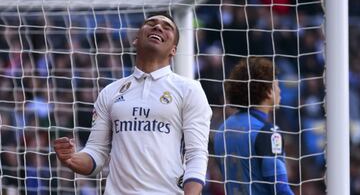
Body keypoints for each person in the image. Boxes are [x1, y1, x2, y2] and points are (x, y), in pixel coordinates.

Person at [54, 14, 212, 195]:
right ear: (136, 40)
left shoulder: (189, 89)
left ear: (173, 50)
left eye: (166, 27)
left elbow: (196, 154)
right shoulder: (110, 92)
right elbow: (96, 153)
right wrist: (71, 158)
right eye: (151, 23)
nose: (158, 27)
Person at [213, 57, 294, 195]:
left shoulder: (222, 129)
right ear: (269, 91)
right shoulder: (268, 132)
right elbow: (279, 188)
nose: (280, 91)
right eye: (277, 85)